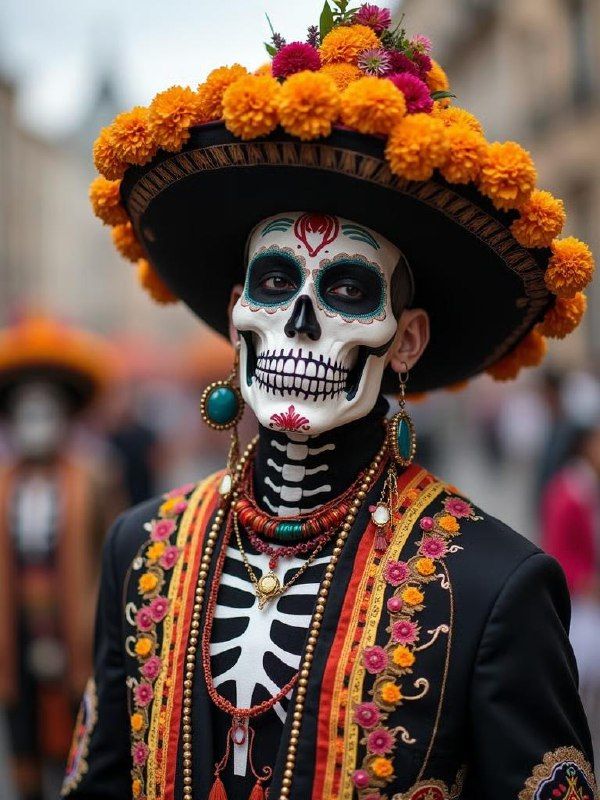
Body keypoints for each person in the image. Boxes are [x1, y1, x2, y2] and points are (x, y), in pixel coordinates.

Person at [67, 7, 597, 799]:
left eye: (349, 290)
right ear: (238, 311)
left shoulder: (491, 588)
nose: (301, 322)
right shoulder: (138, 551)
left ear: (406, 341)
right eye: (275, 283)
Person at [0, 315, 120, 800]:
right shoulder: (3, 484)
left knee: (78, 729)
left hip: (76, 624)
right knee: (23, 728)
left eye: (46, 413)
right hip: (17, 624)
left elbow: (116, 551)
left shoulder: (93, 477)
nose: (37, 426)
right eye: (26, 414)